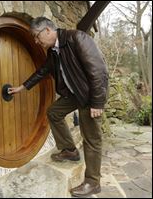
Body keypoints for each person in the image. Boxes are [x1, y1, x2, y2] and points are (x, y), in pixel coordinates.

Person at [8, 17, 109, 197]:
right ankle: (69, 150)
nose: (37, 41)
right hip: (73, 94)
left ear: (47, 30)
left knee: (92, 138)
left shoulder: (77, 38)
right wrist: (23, 87)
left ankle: (93, 182)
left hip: (88, 96)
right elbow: (43, 71)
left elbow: (98, 70)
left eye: (37, 37)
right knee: (53, 112)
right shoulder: (53, 52)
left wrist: (97, 102)